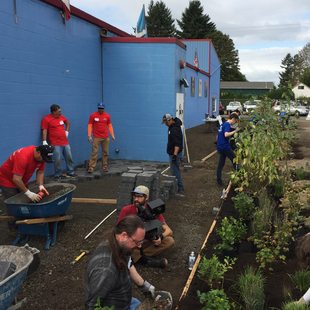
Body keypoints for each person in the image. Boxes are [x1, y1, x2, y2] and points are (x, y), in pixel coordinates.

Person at [85, 215, 155, 310]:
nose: (139, 246)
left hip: (126, 300)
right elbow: (92, 305)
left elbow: (128, 264)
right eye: (137, 242)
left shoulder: (119, 244)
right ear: (124, 236)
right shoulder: (105, 270)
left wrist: (144, 285)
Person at [118, 185, 175, 268]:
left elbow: (169, 230)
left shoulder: (152, 210)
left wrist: (160, 237)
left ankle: (138, 257)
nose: (136, 199)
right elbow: (117, 230)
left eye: (139, 196)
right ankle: (142, 258)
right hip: (132, 241)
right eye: (135, 196)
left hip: (146, 241)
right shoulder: (126, 210)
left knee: (170, 241)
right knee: (123, 246)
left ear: (146, 197)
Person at [41, 104, 76, 179]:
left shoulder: (61, 117)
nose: (60, 113)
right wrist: (44, 141)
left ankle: (71, 172)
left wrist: (67, 131)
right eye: (59, 111)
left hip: (65, 142)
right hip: (55, 143)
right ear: (53, 112)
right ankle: (58, 174)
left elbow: (68, 123)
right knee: (57, 159)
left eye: (60, 111)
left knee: (69, 157)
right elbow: (44, 130)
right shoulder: (46, 119)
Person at [87, 102, 115, 173]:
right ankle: (91, 167)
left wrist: (112, 135)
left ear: (104, 108)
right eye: (99, 108)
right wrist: (89, 135)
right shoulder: (93, 115)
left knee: (105, 152)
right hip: (96, 137)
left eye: (102, 108)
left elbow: (110, 125)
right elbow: (90, 125)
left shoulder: (107, 116)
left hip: (105, 137)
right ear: (97, 108)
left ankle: (105, 166)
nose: (100, 109)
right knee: (94, 152)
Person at [162, 113, 185, 196]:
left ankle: (180, 189)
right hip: (173, 153)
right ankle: (178, 188)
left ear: (170, 120)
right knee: (174, 171)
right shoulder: (171, 127)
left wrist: (175, 155)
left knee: (175, 172)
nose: (165, 124)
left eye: (166, 122)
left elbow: (177, 144)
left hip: (174, 154)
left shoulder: (174, 129)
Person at [216, 113, 239, 186]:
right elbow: (226, 134)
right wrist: (235, 131)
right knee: (235, 160)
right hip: (225, 146)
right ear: (233, 119)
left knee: (221, 164)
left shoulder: (222, 124)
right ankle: (238, 178)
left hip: (220, 146)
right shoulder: (227, 125)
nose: (234, 123)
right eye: (235, 121)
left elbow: (220, 134)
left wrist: (234, 129)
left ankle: (219, 180)